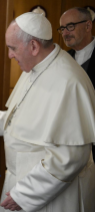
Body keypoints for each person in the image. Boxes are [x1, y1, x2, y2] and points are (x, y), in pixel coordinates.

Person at [0, 12, 95, 212]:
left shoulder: (69, 81)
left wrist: (24, 194)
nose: (10, 55)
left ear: (33, 46)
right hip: (22, 184)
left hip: (48, 195)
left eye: (13, 48)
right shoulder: (35, 67)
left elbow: (71, 157)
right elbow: (18, 121)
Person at [59, 7, 95, 162]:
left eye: (70, 26)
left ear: (88, 26)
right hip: (69, 144)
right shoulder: (62, 60)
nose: (65, 33)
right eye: (62, 28)